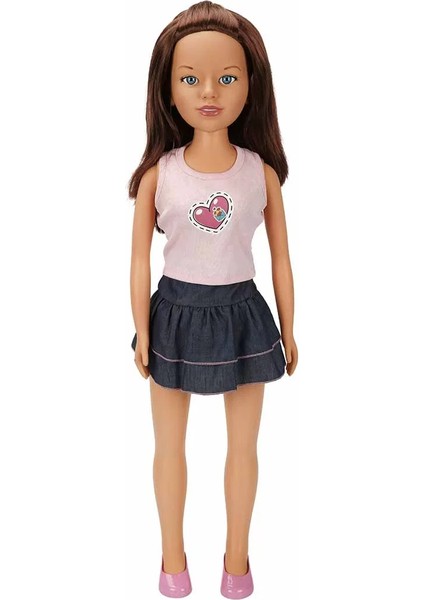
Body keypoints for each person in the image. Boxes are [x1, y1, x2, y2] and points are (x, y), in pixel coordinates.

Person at [128, 2, 298, 597]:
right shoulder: (159, 175)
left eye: (227, 77)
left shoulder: (260, 173)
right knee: (169, 449)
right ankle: (172, 561)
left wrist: (289, 326)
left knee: (243, 449)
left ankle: (237, 562)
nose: (208, 91)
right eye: (190, 78)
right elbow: (139, 260)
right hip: (173, 314)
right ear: (167, 88)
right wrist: (141, 328)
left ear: (252, 85)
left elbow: (280, 257)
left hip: (243, 314)